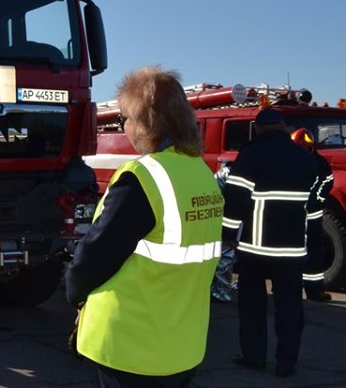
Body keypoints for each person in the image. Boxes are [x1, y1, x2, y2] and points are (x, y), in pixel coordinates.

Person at [65, 66, 223, 387]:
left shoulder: (142, 177)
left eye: (126, 117)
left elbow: (96, 255)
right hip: (182, 344)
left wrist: (75, 295)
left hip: (130, 344)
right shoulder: (200, 173)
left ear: (146, 122)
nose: (124, 126)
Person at [223, 109, 319, 378]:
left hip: (256, 249)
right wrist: (311, 244)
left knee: (252, 305)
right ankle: (287, 361)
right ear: (284, 127)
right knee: (290, 306)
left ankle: (254, 357)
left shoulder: (250, 155)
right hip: (292, 249)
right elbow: (313, 208)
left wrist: (228, 235)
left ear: (258, 128)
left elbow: (235, 202)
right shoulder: (304, 158)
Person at [290, 127, 334, 302]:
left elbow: (328, 181)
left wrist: (317, 199)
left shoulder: (319, 162)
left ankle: (314, 290)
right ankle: (287, 289)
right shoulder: (289, 161)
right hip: (293, 214)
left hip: (312, 214)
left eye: (303, 147)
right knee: (290, 252)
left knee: (314, 252)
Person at [210, 159, 238, 303]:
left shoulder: (229, 173)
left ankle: (220, 288)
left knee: (227, 254)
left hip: (230, 218)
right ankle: (219, 289)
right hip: (226, 217)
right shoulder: (228, 173)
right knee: (226, 254)